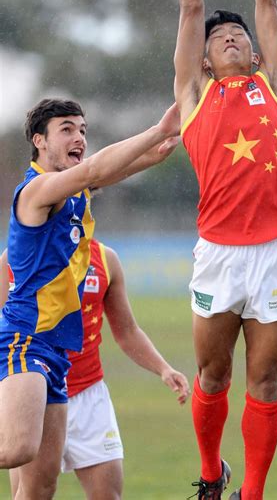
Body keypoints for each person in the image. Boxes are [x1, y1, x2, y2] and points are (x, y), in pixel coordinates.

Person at [175, 0, 277, 498]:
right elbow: (192, 7)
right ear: (203, 59)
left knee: (266, 382)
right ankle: (208, 475)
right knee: (213, 373)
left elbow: (269, 4)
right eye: (221, 38)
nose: (233, 36)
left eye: (239, 34)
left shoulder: (274, 89)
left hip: (274, 250)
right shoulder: (196, 96)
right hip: (218, 253)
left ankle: (251, 493)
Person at [0, 97, 179, 500]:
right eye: (66, 129)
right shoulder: (37, 189)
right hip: (27, 337)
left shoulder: (74, 189)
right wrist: (158, 129)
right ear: (39, 142)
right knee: (17, 449)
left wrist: (153, 156)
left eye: (82, 129)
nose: (79, 136)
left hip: (58, 350)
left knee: (40, 488)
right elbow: (97, 169)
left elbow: (107, 173)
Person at [1, 238, 190, 500]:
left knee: (108, 495)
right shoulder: (16, 255)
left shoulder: (105, 258)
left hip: (89, 395)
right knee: (33, 495)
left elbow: (127, 332)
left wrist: (163, 369)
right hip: (35, 393)